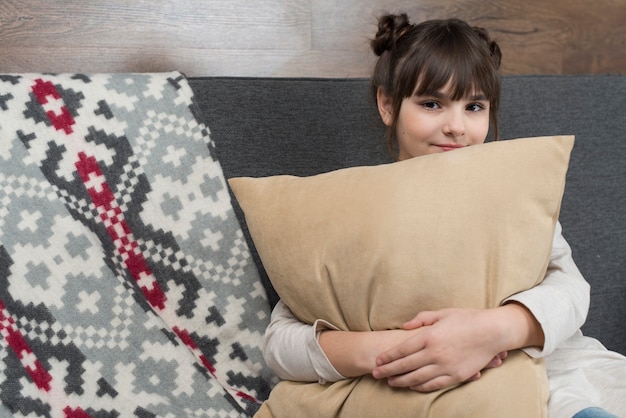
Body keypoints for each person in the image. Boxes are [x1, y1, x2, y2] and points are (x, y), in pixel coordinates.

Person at [262, 14, 626, 418]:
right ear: (387, 104)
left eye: (474, 106)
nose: (456, 126)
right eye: (432, 103)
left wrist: (490, 333)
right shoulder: (347, 206)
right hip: (410, 392)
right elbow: (281, 344)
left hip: (544, 378)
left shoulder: (511, 193)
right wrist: (393, 350)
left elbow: (571, 292)